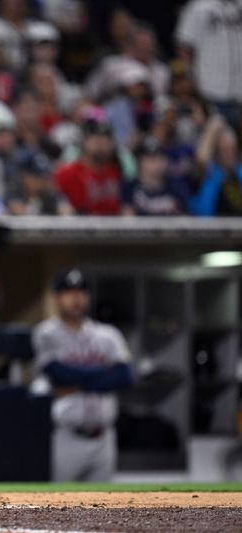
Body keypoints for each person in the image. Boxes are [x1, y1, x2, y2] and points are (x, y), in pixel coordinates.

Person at [32, 268, 133, 482]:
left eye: (81, 291)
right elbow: (58, 373)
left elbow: (124, 376)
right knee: (58, 505)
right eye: (69, 292)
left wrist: (78, 384)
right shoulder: (46, 333)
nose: (76, 298)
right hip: (67, 435)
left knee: (104, 507)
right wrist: (104, 373)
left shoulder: (108, 335)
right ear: (57, 298)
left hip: (104, 436)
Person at [53, 121, 122, 215]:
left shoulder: (115, 171)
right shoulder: (67, 173)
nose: (101, 145)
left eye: (105, 140)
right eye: (95, 140)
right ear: (83, 143)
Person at [121, 138, 190, 216]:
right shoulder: (130, 188)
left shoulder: (175, 187)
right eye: (149, 159)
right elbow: (127, 220)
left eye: (158, 158)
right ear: (139, 162)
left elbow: (185, 219)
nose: (155, 164)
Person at [190, 115, 242, 216]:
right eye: (225, 150)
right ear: (217, 152)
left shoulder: (238, 172)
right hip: (210, 226)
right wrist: (212, 131)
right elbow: (201, 158)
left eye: (232, 149)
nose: (229, 154)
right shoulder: (209, 173)